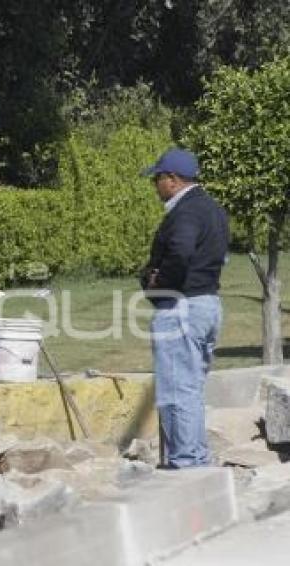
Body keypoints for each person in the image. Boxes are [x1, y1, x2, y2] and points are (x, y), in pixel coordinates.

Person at [140, 148, 230, 468]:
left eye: (158, 179)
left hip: (182, 308)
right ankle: (196, 459)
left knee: (177, 390)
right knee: (190, 389)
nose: (155, 186)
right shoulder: (213, 209)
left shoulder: (186, 212)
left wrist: (158, 283)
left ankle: (186, 464)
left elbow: (180, 252)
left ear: (173, 180)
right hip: (207, 304)